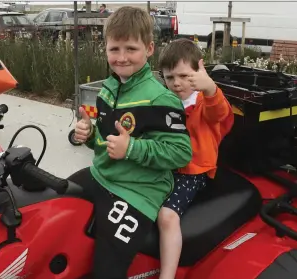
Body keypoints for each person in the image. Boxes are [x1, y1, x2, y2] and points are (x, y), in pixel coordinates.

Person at [68, 7, 192, 279]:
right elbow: (106, 143)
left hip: (138, 192)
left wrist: (132, 149)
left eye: (131, 49)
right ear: (106, 49)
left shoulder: (161, 98)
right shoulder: (107, 90)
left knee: (106, 270)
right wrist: (89, 136)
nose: (122, 58)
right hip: (101, 176)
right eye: (115, 49)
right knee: (56, 205)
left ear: (149, 49)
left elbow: (181, 153)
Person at [156, 38, 234, 279]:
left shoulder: (204, 103)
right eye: (170, 78)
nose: (177, 84)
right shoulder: (165, 101)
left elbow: (220, 112)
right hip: (166, 167)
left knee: (167, 216)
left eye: (184, 76)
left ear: (199, 71)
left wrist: (209, 87)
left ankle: (167, 275)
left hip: (193, 172)